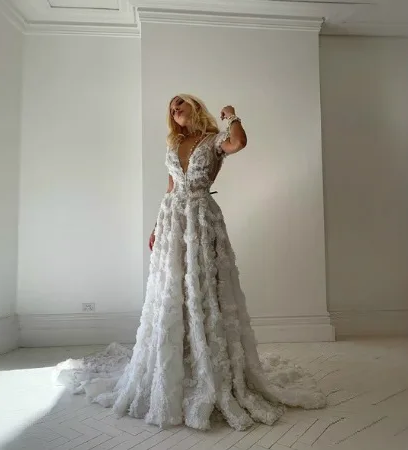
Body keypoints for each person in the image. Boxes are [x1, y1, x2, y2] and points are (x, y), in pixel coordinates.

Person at [54, 94, 326, 432]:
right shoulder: (174, 142)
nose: (175, 110)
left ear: (194, 107)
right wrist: (157, 226)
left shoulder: (213, 141)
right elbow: (171, 187)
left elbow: (239, 142)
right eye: (171, 108)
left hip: (201, 218)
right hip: (173, 219)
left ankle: (207, 362)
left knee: (203, 287)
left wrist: (232, 116)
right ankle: (177, 358)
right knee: (172, 286)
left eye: (180, 104)